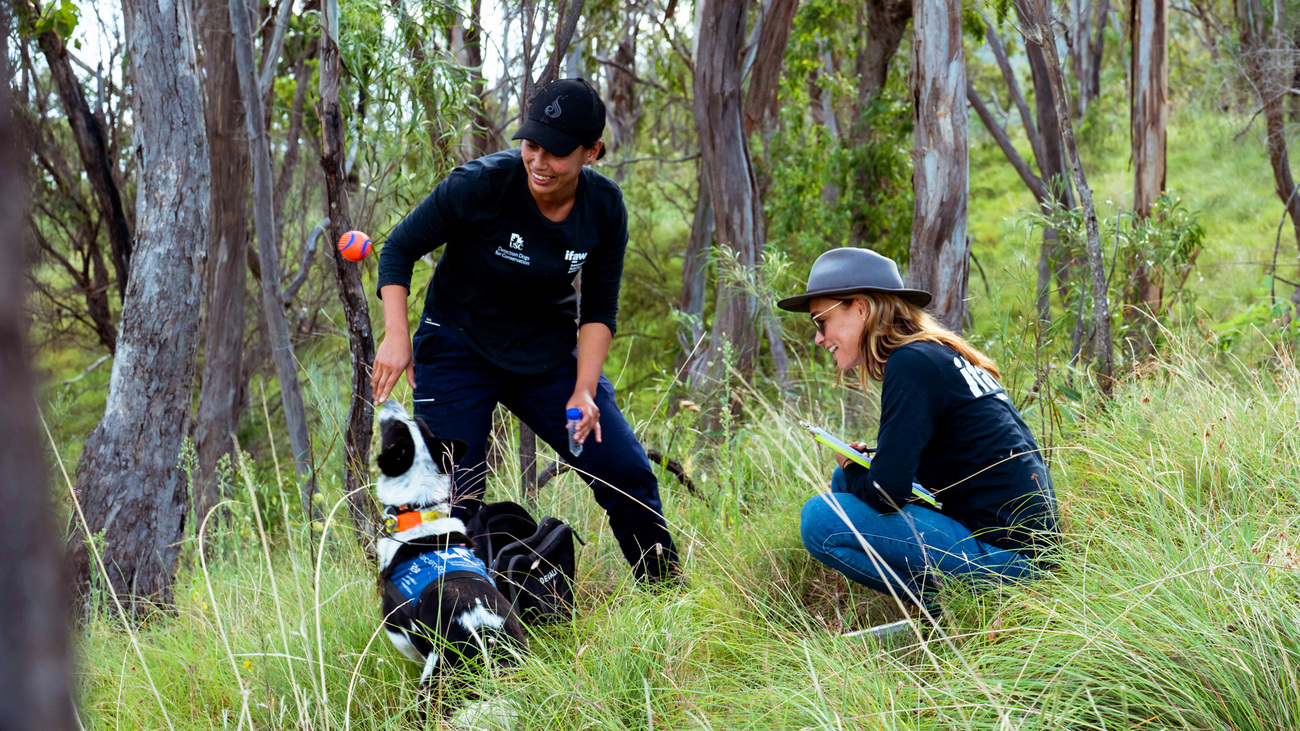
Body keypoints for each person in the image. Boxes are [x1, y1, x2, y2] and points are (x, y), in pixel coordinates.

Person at [371, 78, 679, 582]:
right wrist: (397, 334)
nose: (538, 161)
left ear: (592, 151)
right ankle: (457, 636)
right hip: (457, 347)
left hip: (547, 354)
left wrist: (584, 387)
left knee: (625, 469)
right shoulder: (482, 184)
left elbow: (599, 309)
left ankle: (667, 592)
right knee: (452, 503)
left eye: (556, 153)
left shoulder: (603, 208)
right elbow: (397, 249)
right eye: (531, 146)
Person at [778, 248, 1058, 614]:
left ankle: (946, 610)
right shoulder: (933, 354)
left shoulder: (911, 363)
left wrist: (853, 467)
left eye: (821, 321)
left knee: (821, 519)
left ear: (860, 309)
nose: (818, 337)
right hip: (1024, 550)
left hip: (1015, 565)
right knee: (844, 481)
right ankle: (953, 606)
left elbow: (885, 494)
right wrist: (863, 467)